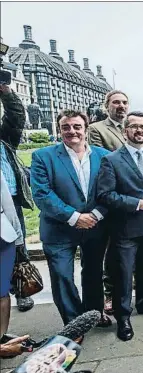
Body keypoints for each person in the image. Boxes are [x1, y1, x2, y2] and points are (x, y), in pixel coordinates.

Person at [30, 110, 112, 332]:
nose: (71, 131)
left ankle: (94, 314)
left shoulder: (103, 156)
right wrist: (74, 217)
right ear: (59, 129)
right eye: (66, 127)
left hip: (95, 226)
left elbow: (110, 191)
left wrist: (95, 214)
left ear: (85, 129)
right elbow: (42, 194)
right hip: (58, 229)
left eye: (77, 126)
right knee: (62, 277)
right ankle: (74, 324)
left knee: (93, 273)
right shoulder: (43, 157)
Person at [96, 111, 143, 342]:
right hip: (125, 229)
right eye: (134, 127)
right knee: (124, 275)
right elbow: (105, 194)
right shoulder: (112, 160)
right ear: (125, 130)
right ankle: (123, 317)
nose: (139, 130)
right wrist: (136, 203)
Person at [0, 83, 34, 312]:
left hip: (10, 201)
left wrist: (5, 91)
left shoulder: (5, 137)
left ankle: (22, 288)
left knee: (17, 248)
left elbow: (16, 115)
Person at [1, 173, 23, 339]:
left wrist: (18, 236)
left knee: (1, 290)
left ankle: (2, 336)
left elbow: (7, 202)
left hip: (2, 237)